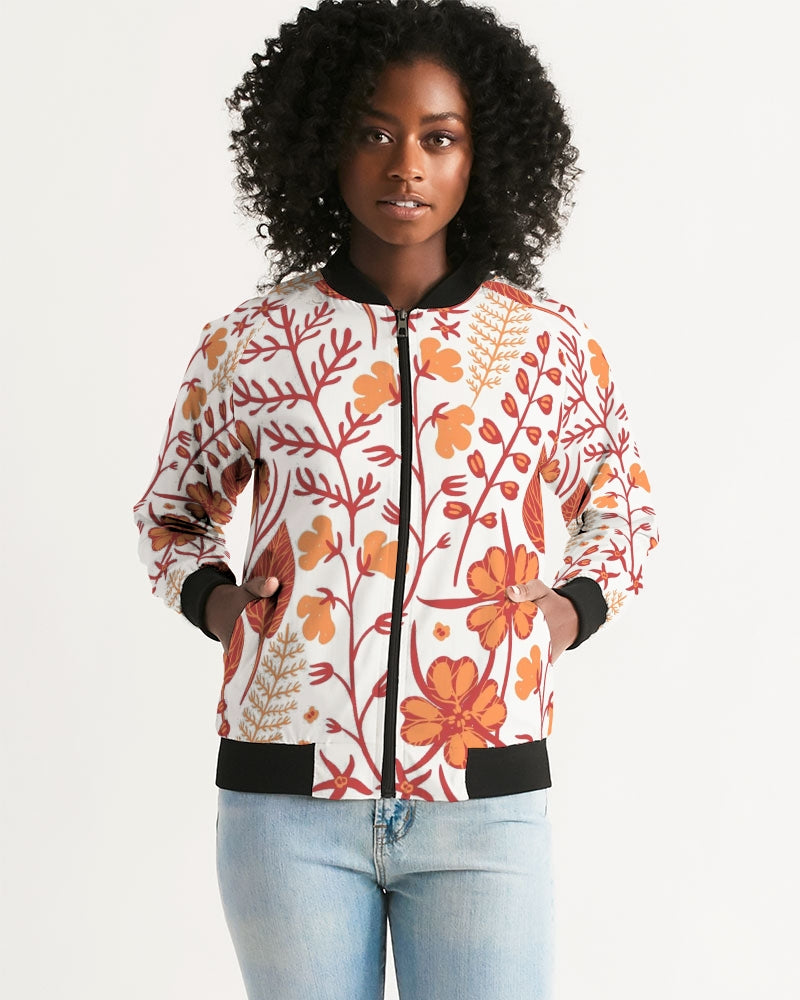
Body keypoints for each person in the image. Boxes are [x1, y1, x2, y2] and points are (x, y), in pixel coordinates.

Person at [133, 1, 658, 997]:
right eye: (374, 133)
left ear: (481, 156)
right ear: (322, 146)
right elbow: (172, 514)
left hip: (484, 795)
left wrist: (558, 616)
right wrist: (225, 609)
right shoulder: (256, 340)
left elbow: (622, 513)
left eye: (438, 138)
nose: (405, 166)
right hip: (287, 797)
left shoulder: (544, 344)